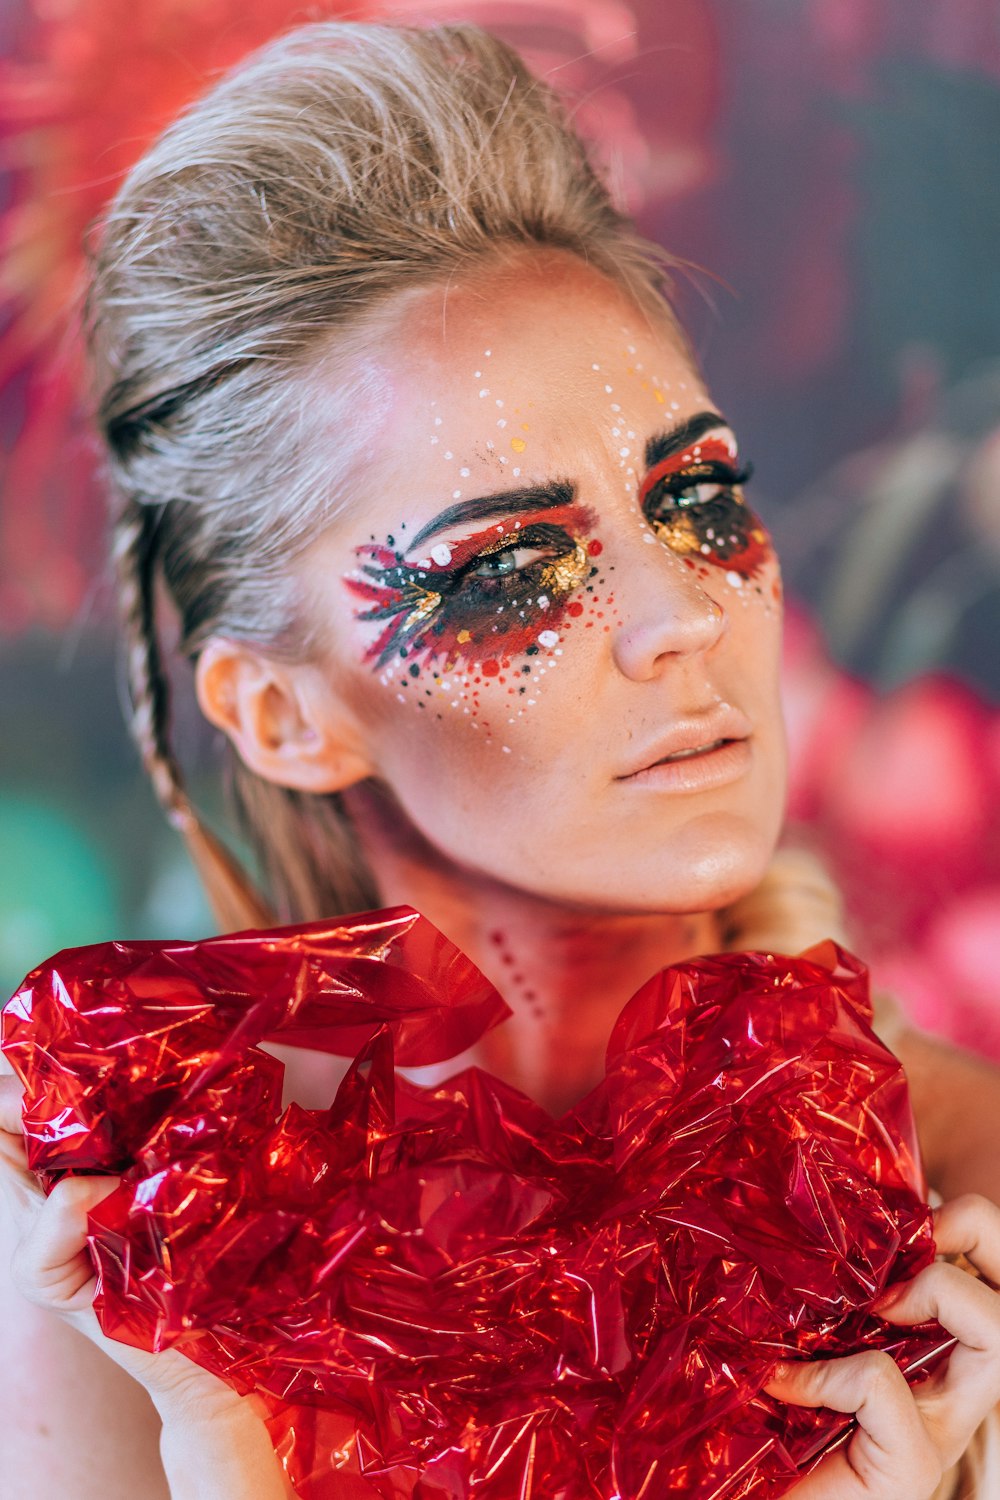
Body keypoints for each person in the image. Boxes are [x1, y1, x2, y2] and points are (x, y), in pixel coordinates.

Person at [3, 19, 1000, 1500]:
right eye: (511, 568)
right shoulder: (103, 1259)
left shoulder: (968, 1197)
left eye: (701, 499)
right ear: (284, 714)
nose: (683, 620)